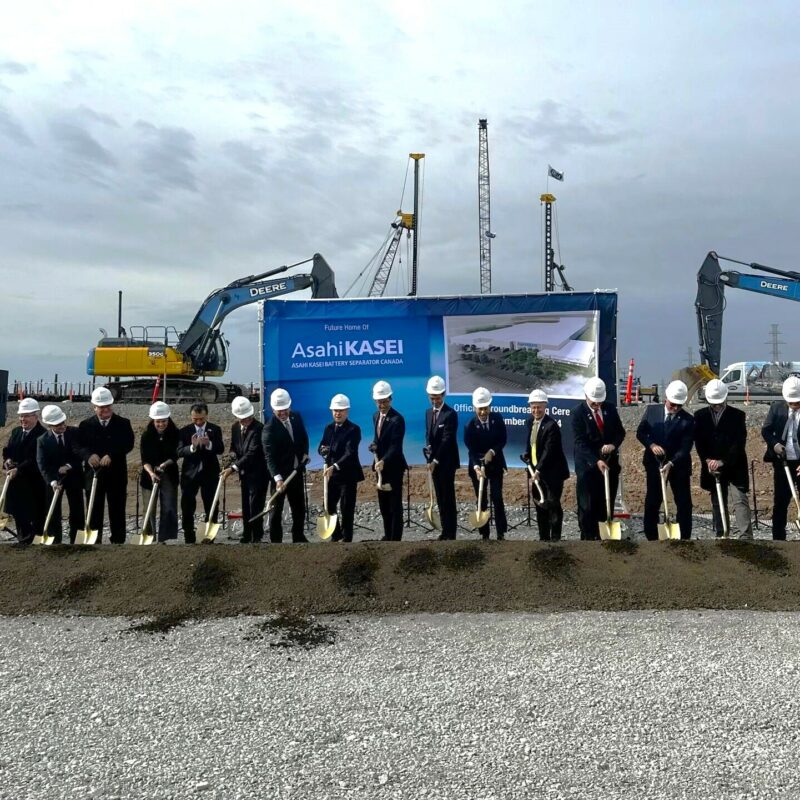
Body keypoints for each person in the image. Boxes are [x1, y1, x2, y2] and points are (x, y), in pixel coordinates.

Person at [636, 380, 695, 540]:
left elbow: (686, 446)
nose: (675, 408)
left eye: (679, 405)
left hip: (678, 466)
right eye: (673, 405)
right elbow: (641, 432)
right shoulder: (651, 411)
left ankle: (684, 537)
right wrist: (651, 444)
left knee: (683, 502)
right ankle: (651, 536)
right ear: (665, 399)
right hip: (654, 464)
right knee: (653, 500)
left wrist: (671, 462)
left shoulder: (688, 420)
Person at [694, 379, 752, 539]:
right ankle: (722, 534)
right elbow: (699, 442)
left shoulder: (737, 416)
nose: (717, 405)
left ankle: (745, 537)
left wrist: (723, 461)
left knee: (740, 500)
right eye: (714, 403)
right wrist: (707, 460)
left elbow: (739, 443)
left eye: (719, 402)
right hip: (712, 466)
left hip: (735, 465)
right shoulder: (700, 416)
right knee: (717, 500)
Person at [76, 387, 135, 544]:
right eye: (102, 407)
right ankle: (95, 541)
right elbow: (78, 446)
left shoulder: (123, 423)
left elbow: (128, 444)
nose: (106, 409)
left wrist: (112, 455)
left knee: (117, 510)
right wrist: (89, 455)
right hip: (93, 475)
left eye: (108, 406)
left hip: (116, 475)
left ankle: (118, 541)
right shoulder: (85, 425)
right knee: (94, 510)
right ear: (94, 407)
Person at [572, 377, 626, 540]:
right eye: (594, 403)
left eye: (599, 402)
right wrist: (596, 460)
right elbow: (579, 442)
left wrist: (613, 445)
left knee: (605, 501)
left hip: (609, 465)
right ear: (586, 396)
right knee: (588, 505)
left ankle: (604, 533)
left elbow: (620, 432)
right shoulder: (578, 413)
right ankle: (588, 536)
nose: (597, 405)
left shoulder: (609, 408)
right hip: (588, 466)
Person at [261, 388, 310, 544]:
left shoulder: (296, 417)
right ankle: (276, 541)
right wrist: (278, 479)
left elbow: (303, 438)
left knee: (299, 507)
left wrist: (305, 454)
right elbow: (270, 458)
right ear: (273, 409)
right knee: (276, 510)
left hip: (296, 472)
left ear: (289, 406)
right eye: (279, 411)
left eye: (285, 410)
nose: (282, 413)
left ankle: (299, 537)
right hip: (281, 476)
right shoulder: (269, 429)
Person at [520, 389, 570, 541]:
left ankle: (555, 539)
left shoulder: (551, 426)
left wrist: (539, 470)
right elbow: (532, 444)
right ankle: (543, 539)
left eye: (539, 407)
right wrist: (527, 456)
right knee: (540, 505)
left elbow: (549, 451)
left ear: (545, 406)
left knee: (553, 505)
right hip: (536, 473)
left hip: (552, 474)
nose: (536, 410)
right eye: (533, 407)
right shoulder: (530, 422)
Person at [318, 393, 364, 542]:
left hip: (348, 474)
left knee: (346, 507)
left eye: (341, 410)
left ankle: (347, 538)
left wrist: (336, 466)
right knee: (328, 504)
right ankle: (336, 533)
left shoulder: (353, 429)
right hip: (332, 475)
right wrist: (322, 450)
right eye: (335, 410)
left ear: (347, 411)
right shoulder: (329, 428)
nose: (337, 413)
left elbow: (350, 452)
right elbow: (322, 445)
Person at [177, 402, 225, 544]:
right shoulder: (184, 431)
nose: (198, 422)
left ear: (206, 416)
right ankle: (189, 535)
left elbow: (220, 448)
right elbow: (179, 451)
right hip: (190, 473)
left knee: (211, 503)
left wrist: (208, 444)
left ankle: (209, 535)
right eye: (195, 419)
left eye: (201, 419)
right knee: (187, 504)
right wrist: (192, 447)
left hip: (210, 472)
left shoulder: (215, 429)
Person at [223, 395, 268, 544]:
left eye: (248, 417)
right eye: (243, 418)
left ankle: (257, 535)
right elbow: (235, 447)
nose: (246, 420)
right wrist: (231, 456)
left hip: (258, 474)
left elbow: (252, 453)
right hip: (244, 474)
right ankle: (247, 534)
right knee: (245, 505)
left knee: (256, 505)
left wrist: (233, 468)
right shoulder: (235, 428)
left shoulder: (259, 428)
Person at [464, 387, 508, 540]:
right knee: (481, 498)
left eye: (485, 408)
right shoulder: (469, 425)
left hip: (495, 464)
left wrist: (492, 452)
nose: (483, 412)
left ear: (490, 406)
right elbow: (471, 449)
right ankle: (484, 533)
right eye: (480, 409)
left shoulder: (497, 419)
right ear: (475, 408)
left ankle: (501, 532)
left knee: (497, 496)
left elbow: (502, 440)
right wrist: (477, 467)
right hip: (478, 467)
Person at [36, 404, 83, 544]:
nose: (62, 426)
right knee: (53, 510)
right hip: (54, 478)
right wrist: (52, 481)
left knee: (77, 509)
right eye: (57, 425)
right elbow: (42, 464)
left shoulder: (74, 433)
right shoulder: (43, 440)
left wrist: (68, 466)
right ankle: (55, 540)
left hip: (74, 476)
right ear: (50, 425)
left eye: (63, 422)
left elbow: (79, 453)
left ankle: (77, 540)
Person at [2, 398, 46, 544]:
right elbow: (8, 450)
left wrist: (19, 469)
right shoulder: (15, 432)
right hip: (16, 484)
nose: (23, 419)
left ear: (36, 416)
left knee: (34, 515)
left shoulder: (42, 435)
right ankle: (23, 542)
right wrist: (7, 460)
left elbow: (36, 459)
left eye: (26, 416)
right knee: (19, 514)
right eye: (21, 416)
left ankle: (35, 543)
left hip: (34, 484)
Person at [761, 376, 800, 540]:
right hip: (782, 463)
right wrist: (775, 444)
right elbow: (766, 430)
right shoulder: (776, 409)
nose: (795, 405)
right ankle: (778, 540)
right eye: (792, 403)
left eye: (797, 402)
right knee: (781, 502)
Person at [369, 380, 407, 541]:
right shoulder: (375, 416)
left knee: (394, 504)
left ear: (390, 399)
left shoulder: (398, 419)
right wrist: (374, 445)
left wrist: (384, 460)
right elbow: (379, 439)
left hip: (394, 467)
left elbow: (395, 445)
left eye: (385, 401)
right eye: (379, 401)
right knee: (383, 504)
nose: (382, 405)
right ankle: (387, 534)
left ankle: (395, 538)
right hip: (380, 468)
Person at [424, 375, 460, 540]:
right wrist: (429, 456)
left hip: (446, 462)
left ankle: (450, 532)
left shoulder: (450, 414)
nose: (435, 401)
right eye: (432, 398)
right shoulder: (428, 413)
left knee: (448, 497)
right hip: (435, 463)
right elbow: (429, 436)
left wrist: (436, 460)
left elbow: (447, 440)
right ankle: (444, 530)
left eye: (437, 398)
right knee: (439, 496)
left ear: (443, 395)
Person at [139, 401, 180, 543]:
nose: (161, 424)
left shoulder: (175, 434)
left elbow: (176, 455)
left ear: (168, 420)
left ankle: (166, 539)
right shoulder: (146, 436)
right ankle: (149, 537)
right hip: (149, 476)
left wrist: (164, 465)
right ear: (153, 420)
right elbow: (144, 460)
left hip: (169, 474)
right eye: (158, 421)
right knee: (149, 508)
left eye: (163, 421)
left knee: (169, 507)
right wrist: (151, 473)